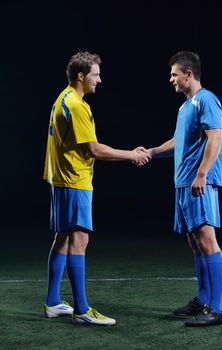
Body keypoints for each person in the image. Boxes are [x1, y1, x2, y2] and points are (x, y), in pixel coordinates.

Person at [43, 50, 151, 326]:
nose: (99, 80)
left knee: (64, 237)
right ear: (81, 76)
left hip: (61, 179)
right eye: (96, 74)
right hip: (74, 180)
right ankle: (82, 310)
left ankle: (53, 302)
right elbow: (94, 150)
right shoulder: (78, 106)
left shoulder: (63, 97)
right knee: (79, 239)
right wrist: (132, 155)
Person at [147, 51, 222, 327]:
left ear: (188, 74)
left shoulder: (206, 100)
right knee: (195, 243)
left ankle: (216, 309)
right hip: (183, 183)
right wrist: (152, 151)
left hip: (198, 182)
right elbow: (178, 141)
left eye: (174, 74)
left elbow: (215, 138)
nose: (171, 79)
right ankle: (202, 300)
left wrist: (202, 174)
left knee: (207, 240)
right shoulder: (185, 107)